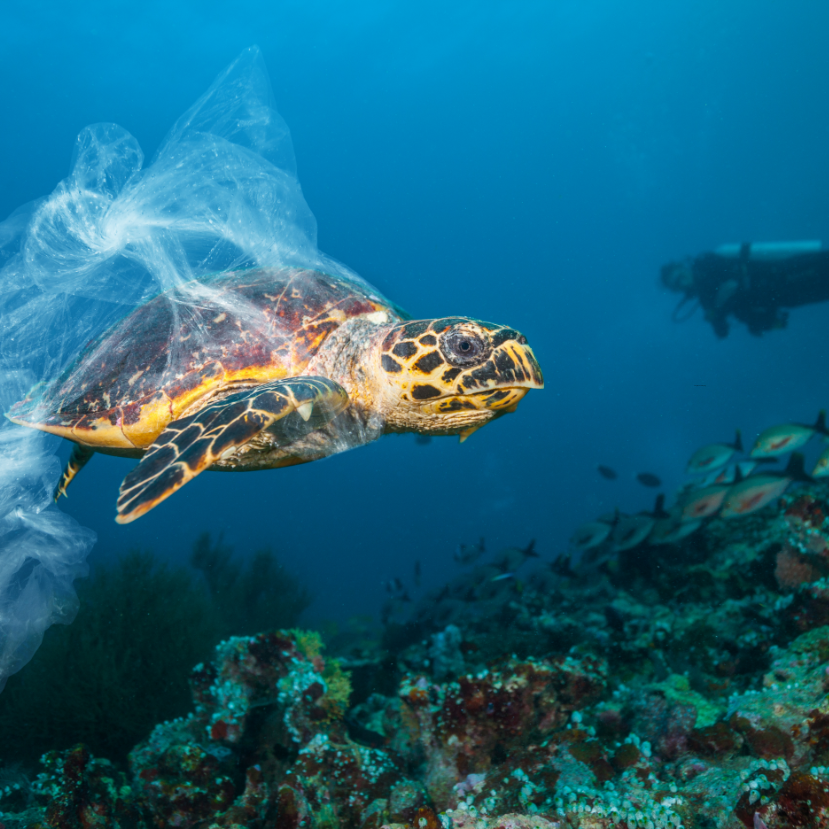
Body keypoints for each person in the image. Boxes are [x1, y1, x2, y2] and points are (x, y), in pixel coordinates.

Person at [661, 241, 829, 338]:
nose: (682, 282)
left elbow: (734, 284)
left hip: (779, 274)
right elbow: (723, 331)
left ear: (683, 267)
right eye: (677, 285)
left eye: (679, 276)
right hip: (782, 297)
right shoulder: (706, 301)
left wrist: (719, 310)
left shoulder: (705, 263)